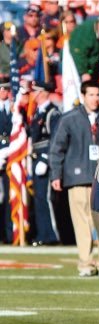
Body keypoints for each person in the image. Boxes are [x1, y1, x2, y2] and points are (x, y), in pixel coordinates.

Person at [49, 80, 99, 277]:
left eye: (97, 95)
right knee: (82, 223)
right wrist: (56, 174)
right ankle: (86, 264)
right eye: (91, 95)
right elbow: (57, 148)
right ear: (83, 96)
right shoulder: (70, 119)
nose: (95, 99)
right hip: (77, 178)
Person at [29, 80, 61, 246]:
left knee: (46, 198)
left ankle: (52, 235)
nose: (32, 95)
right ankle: (43, 234)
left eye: (35, 91)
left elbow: (55, 139)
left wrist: (45, 159)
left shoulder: (52, 113)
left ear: (42, 93)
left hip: (45, 159)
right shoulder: (38, 112)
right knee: (39, 198)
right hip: (36, 157)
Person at [69, 15, 99, 83]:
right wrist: (84, 72)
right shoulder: (85, 31)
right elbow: (78, 53)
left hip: (92, 70)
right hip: (77, 70)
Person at [0, 77, 13, 244]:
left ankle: (9, 234)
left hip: (11, 155)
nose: (4, 92)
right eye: (2, 89)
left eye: (6, 89)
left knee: (10, 196)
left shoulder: (14, 109)